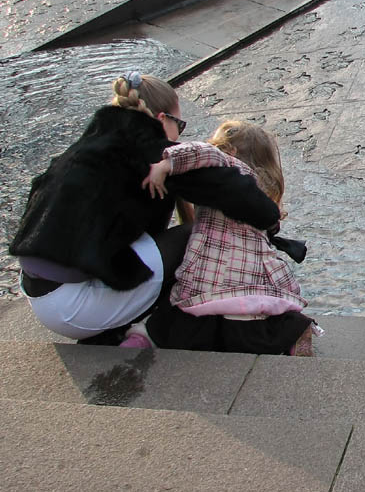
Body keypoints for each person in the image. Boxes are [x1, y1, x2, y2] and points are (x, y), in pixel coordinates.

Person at [9, 73, 281, 344]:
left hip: (39, 293)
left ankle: (118, 329)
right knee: (195, 237)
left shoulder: (91, 144)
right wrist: (271, 223)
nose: (180, 136)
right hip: (76, 305)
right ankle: (172, 328)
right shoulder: (153, 154)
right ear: (163, 119)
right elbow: (245, 198)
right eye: (180, 125)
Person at [132, 119, 319, 356]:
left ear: (229, 150)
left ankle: (142, 339)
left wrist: (167, 163)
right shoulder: (261, 190)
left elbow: (201, 150)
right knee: (277, 324)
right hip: (250, 299)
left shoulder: (229, 169)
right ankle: (296, 334)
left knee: (167, 324)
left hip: (203, 291)